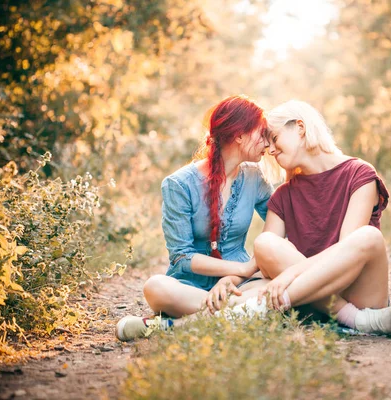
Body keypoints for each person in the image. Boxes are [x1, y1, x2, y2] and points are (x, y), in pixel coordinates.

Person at [116, 95, 276, 341]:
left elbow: (280, 226)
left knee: (271, 288)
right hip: (190, 287)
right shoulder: (179, 184)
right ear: (240, 135)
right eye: (262, 133)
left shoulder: (255, 178)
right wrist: (241, 267)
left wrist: (239, 275)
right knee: (156, 287)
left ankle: (172, 326)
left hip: (239, 284)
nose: (268, 143)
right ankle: (241, 314)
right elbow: (181, 257)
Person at [249, 100, 391, 336]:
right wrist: (230, 278)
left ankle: (257, 309)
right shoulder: (284, 195)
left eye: (274, 138)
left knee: (368, 237)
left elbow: (346, 252)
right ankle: (355, 320)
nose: (270, 150)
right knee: (264, 243)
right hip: (311, 297)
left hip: (358, 292)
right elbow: (264, 258)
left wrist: (291, 274)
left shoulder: (359, 173)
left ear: (300, 128)